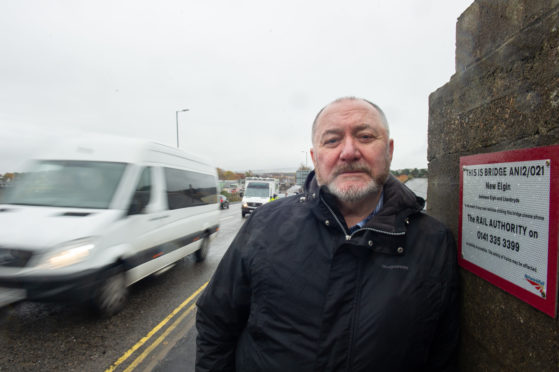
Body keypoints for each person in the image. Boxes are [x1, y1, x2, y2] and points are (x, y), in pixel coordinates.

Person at [196, 97, 459, 371]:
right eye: (332, 140)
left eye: (366, 136)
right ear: (314, 157)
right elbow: (216, 322)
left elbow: (443, 352)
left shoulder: (433, 241)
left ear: (389, 151)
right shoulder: (264, 225)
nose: (348, 151)